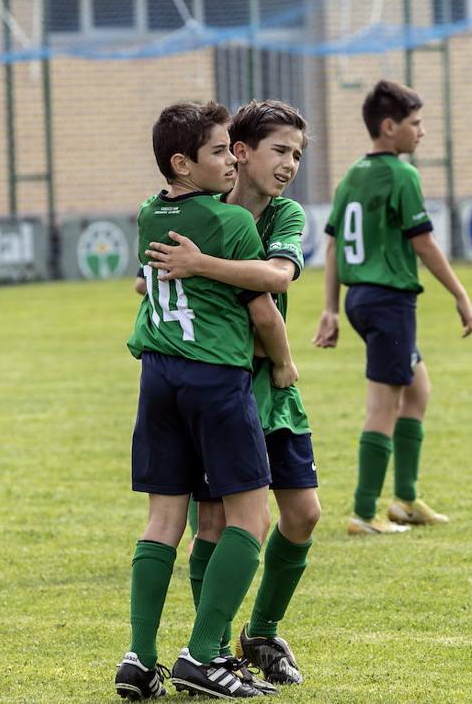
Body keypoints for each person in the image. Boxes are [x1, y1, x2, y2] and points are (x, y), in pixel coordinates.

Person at [115, 101, 299, 701]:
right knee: (252, 517)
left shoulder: (147, 213)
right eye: (218, 151)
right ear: (183, 163)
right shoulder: (234, 225)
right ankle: (202, 656)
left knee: (166, 520)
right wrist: (284, 365)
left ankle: (139, 660)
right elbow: (265, 308)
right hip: (216, 380)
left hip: (157, 377)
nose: (230, 160)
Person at [312, 79, 472, 535]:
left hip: (359, 300)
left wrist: (330, 308)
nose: (421, 132)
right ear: (389, 127)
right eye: (416, 123)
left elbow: (330, 247)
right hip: (388, 302)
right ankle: (364, 514)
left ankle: (404, 500)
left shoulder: (352, 176)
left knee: (417, 392)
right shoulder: (402, 176)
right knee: (383, 406)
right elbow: (422, 242)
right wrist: (461, 295)